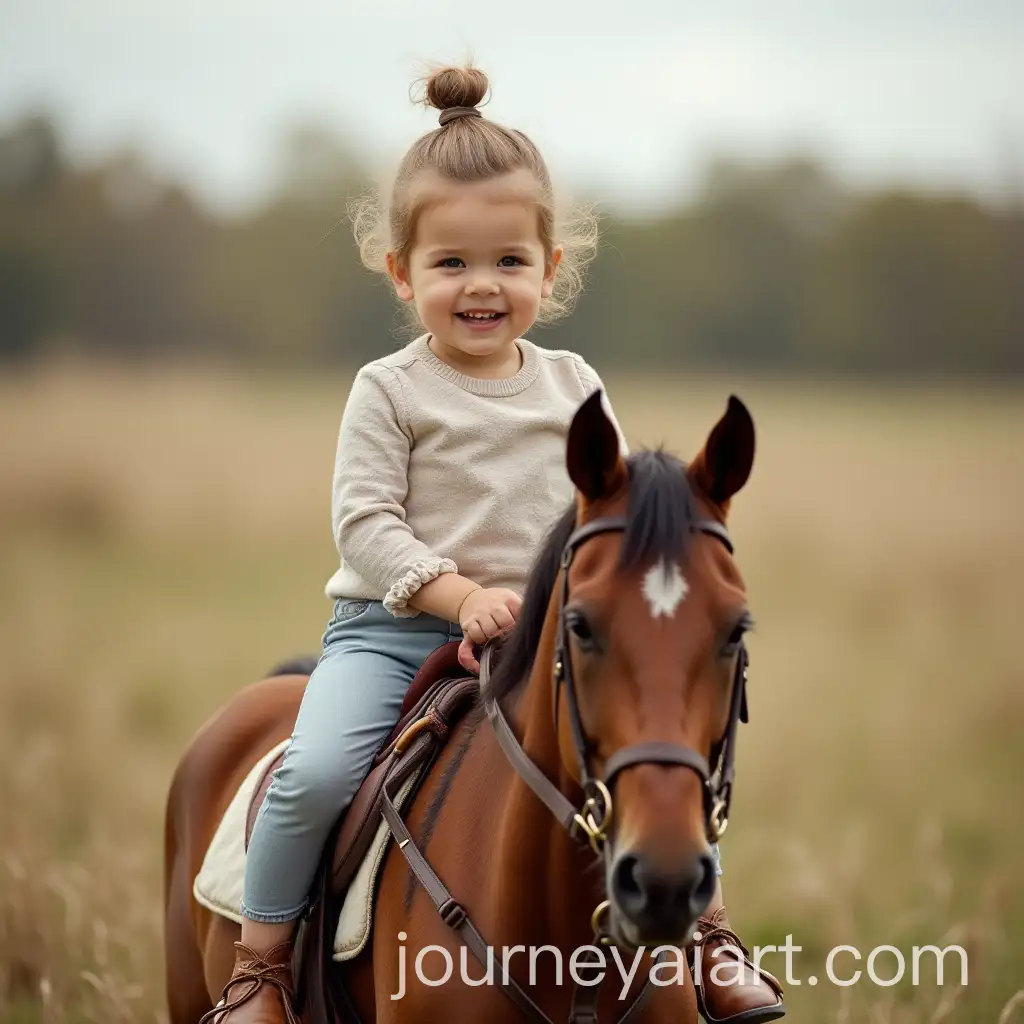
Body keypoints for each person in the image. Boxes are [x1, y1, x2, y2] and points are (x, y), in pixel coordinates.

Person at [203, 64, 782, 1024]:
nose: (482, 285)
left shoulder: (573, 385)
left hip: (548, 641)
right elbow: (366, 525)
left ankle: (706, 932)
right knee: (314, 774)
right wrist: (459, 595)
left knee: (653, 753)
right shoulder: (389, 390)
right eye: (451, 265)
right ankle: (259, 969)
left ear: (550, 270)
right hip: (394, 637)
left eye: (510, 261)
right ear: (403, 272)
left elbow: (611, 515)